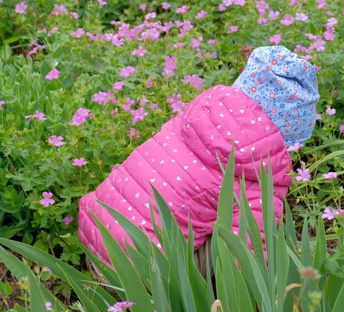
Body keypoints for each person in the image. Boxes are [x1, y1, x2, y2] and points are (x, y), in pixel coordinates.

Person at [77, 46, 320, 272]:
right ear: (283, 135)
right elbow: (246, 253)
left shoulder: (191, 122)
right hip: (136, 273)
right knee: (244, 236)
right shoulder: (259, 176)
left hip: (94, 236)